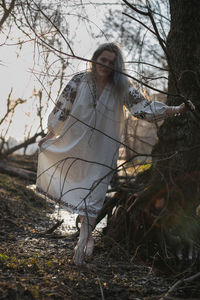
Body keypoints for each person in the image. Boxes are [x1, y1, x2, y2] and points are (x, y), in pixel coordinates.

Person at [36, 42, 194, 266]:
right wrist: (51, 134)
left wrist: (176, 110)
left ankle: (81, 246)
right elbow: (63, 107)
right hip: (76, 144)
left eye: (112, 62)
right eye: (103, 60)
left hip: (103, 150)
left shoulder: (121, 87)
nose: (107, 65)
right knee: (80, 192)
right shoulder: (79, 80)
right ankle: (88, 235)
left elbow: (143, 108)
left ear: (116, 65)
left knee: (93, 197)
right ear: (95, 59)